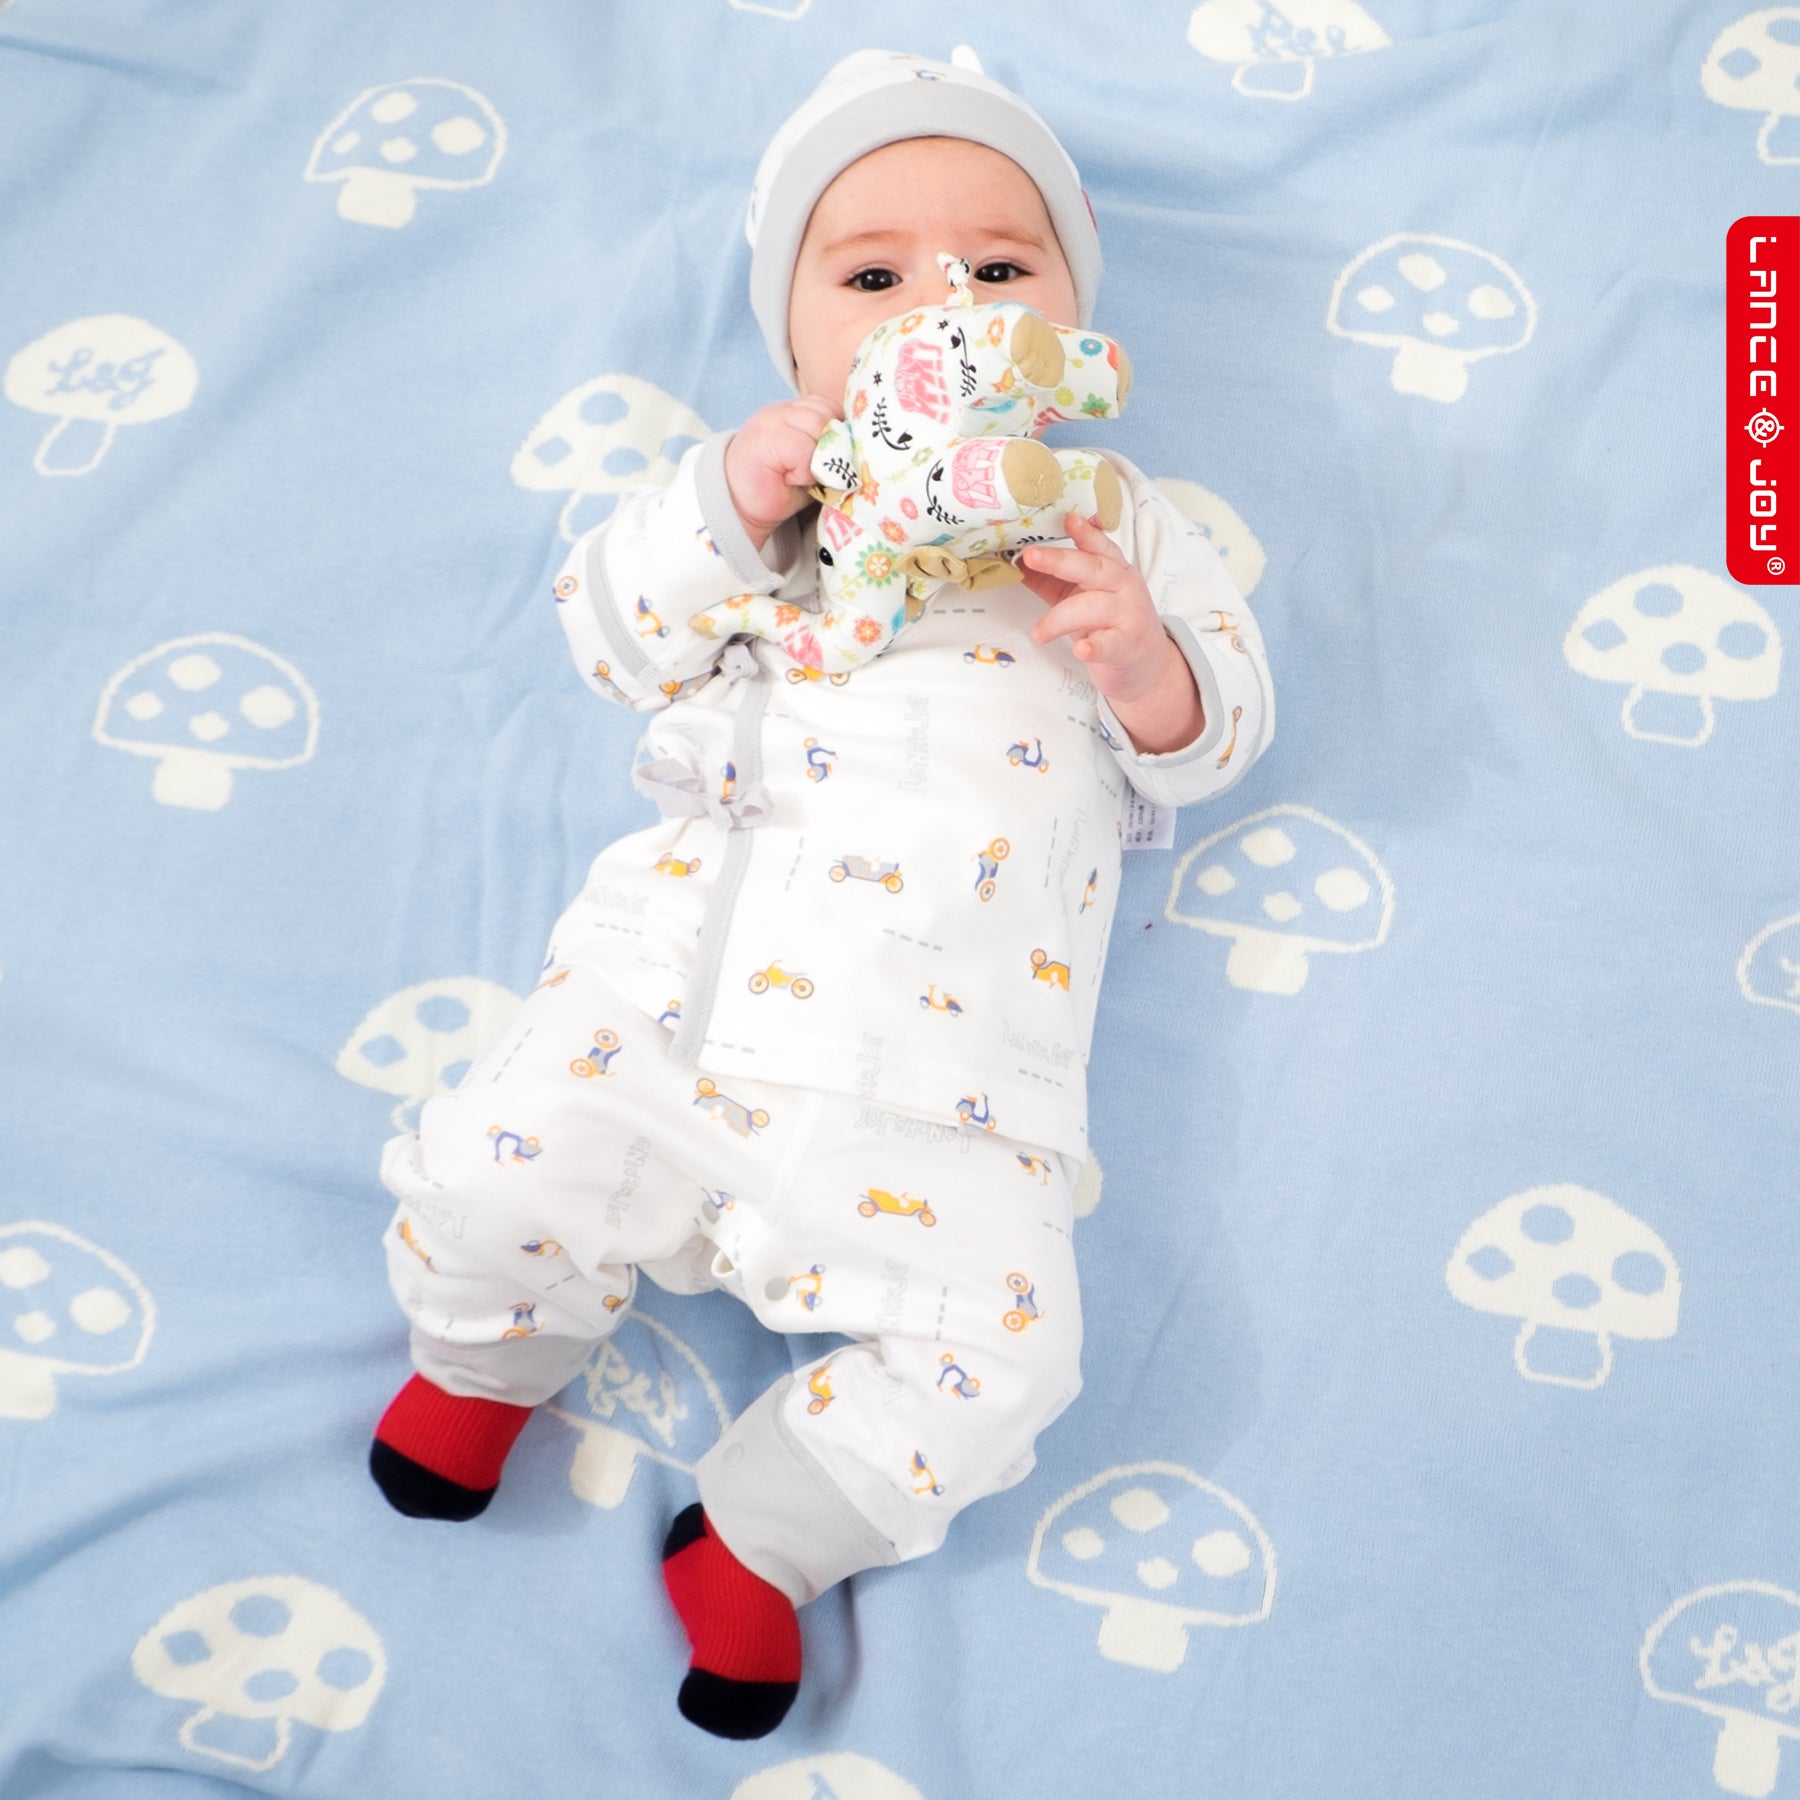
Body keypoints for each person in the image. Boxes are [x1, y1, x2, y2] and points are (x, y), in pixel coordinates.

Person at [366, 46, 1275, 1741]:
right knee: (497, 1172)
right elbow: (609, 636)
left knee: (1002, 1370)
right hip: (678, 997)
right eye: (871, 278)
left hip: (953, 1079)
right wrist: (728, 499)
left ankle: (761, 1538)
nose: (943, 303)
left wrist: (1148, 663)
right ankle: (485, 1355)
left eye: (998, 267)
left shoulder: (1117, 523)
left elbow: (1217, 740)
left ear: (1070, 328)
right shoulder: (775, 497)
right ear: (797, 342)